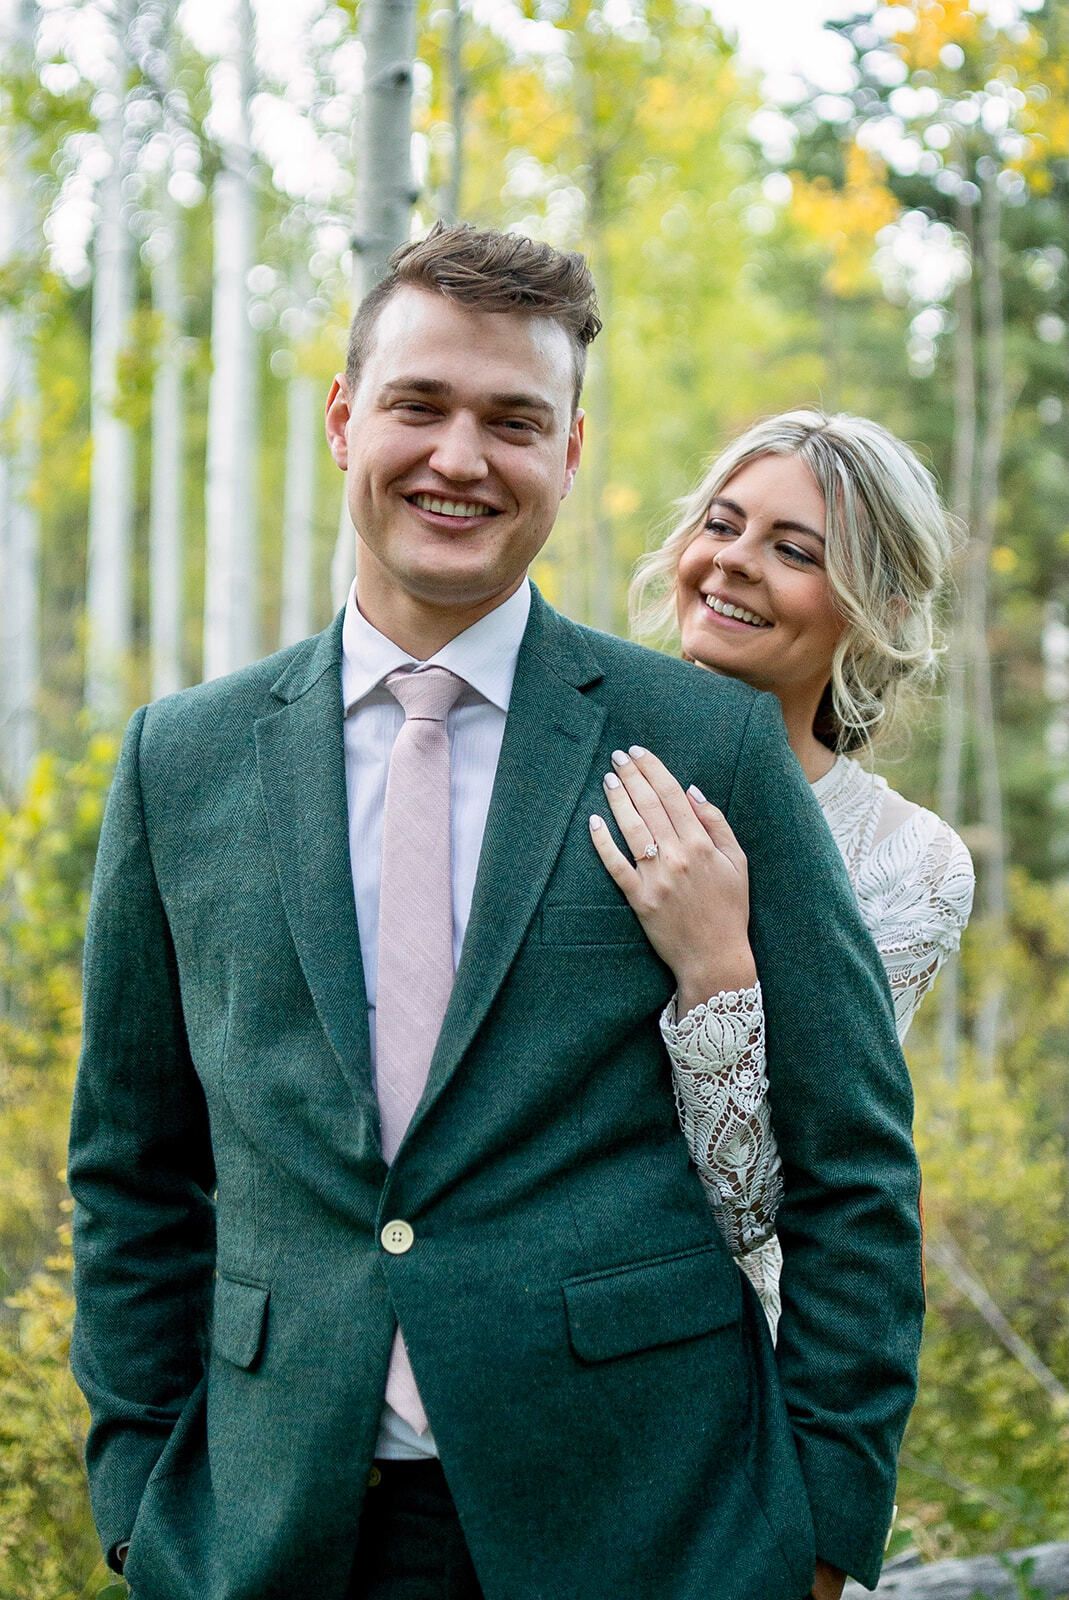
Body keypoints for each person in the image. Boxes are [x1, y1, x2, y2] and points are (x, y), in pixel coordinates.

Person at [68, 226, 923, 1600]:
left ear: (568, 454)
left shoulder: (705, 741)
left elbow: (854, 1169)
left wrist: (820, 1535)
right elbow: (131, 1170)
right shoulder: (182, 760)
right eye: (419, 405)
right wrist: (138, 1496)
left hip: (650, 1528)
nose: (460, 459)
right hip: (270, 1530)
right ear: (345, 419)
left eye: (513, 421)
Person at [589, 411, 974, 1332]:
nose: (732, 560)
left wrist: (714, 963)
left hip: (719, 1352)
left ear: (881, 611)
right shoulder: (570, 757)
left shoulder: (909, 863)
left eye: (793, 551)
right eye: (721, 525)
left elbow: (761, 1202)